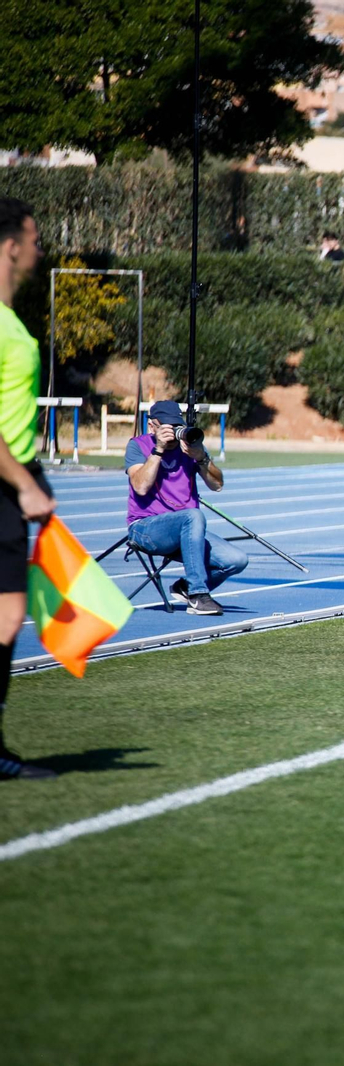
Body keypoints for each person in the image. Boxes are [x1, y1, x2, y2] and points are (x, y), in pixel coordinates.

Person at [0, 198, 58, 780]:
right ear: (11, 243)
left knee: (9, 613)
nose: (39, 250)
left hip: (14, 482)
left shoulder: (12, 319)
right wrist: (24, 483)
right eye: (34, 239)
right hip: (3, 485)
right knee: (7, 614)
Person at [125, 399, 248, 617]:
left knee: (236, 560)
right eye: (167, 428)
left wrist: (201, 458)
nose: (173, 434)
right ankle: (199, 595)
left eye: (176, 427)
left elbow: (217, 485)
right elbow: (141, 487)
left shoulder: (189, 448)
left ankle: (185, 587)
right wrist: (159, 450)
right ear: (152, 426)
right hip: (147, 527)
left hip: (188, 530)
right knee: (193, 516)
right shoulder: (138, 445)